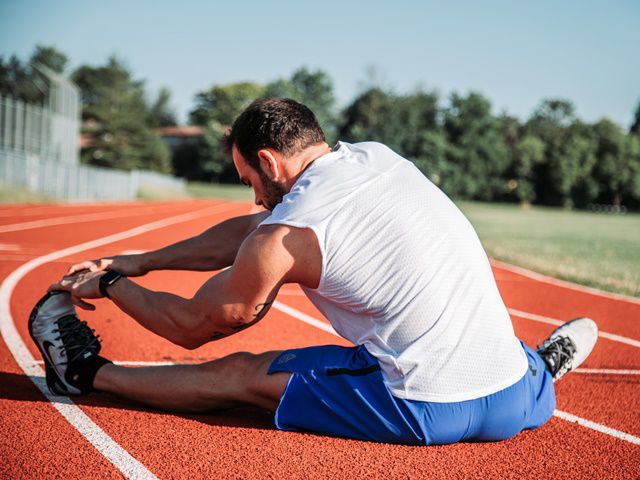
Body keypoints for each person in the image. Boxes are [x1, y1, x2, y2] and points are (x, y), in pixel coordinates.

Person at [29, 98, 598, 445]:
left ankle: (84, 375)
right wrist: (141, 261)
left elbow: (194, 324)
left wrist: (110, 283)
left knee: (239, 375)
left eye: (248, 180)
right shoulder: (375, 157)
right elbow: (254, 232)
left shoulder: (284, 235)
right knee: (472, 322)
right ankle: (540, 369)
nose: (252, 197)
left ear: (270, 162)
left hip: (422, 405)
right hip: (512, 400)